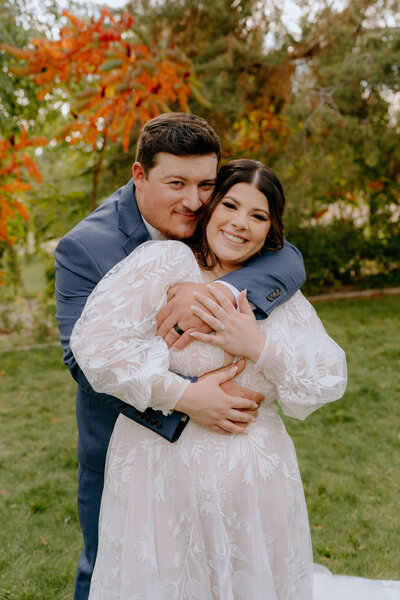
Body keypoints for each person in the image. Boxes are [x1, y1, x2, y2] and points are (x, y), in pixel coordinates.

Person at [55, 113, 306, 599]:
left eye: (206, 184)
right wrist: (186, 399)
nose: (194, 202)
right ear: (139, 175)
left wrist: (217, 295)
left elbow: (286, 255)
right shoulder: (85, 247)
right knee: (116, 565)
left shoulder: (210, 218)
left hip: (223, 459)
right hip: (126, 439)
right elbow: (81, 362)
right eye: (176, 183)